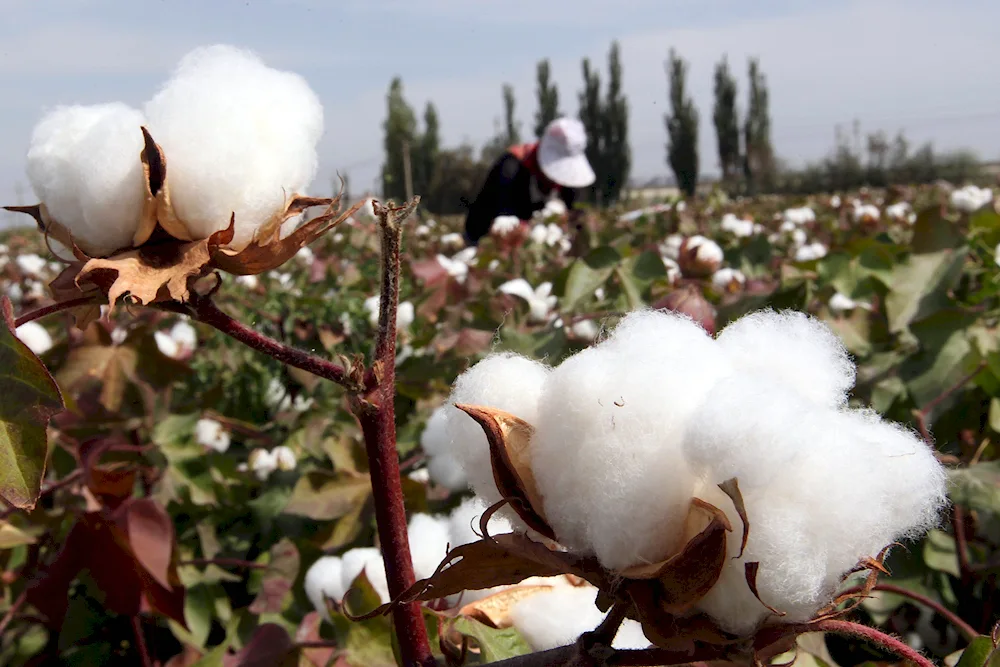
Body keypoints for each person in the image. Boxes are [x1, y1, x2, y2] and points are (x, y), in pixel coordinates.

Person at [463, 117, 596, 247]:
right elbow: (505, 223)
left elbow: (577, 215)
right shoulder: (511, 169)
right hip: (482, 241)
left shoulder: (570, 181)